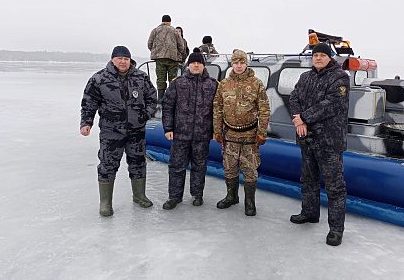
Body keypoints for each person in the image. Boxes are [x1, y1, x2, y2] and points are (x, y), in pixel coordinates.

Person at [80, 46, 157, 217]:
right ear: (113, 59)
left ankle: (139, 196)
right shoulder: (99, 79)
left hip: (136, 131)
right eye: (120, 58)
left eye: (126, 59)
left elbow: (152, 97)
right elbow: (88, 102)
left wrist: (146, 114)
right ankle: (106, 203)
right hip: (110, 131)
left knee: (138, 162)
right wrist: (86, 122)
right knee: (108, 165)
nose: (123, 62)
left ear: (130, 60)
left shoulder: (140, 77)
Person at [289, 42, 350, 246]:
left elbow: (331, 105)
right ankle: (309, 212)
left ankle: (336, 229)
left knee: (335, 187)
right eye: (316, 55)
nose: (318, 58)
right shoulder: (305, 77)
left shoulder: (340, 78)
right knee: (308, 180)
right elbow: (294, 97)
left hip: (329, 141)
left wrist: (303, 118)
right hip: (307, 139)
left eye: (323, 55)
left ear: (330, 57)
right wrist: (298, 119)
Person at [213, 50, 270, 216]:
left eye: (242, 62)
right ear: (232, 64)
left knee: (250, 169)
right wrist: (217, 130)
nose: (239, 66)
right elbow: (217, 108)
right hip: (230, 135)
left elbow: (264, 109)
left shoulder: (256, 83)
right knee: (229, 168)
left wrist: (262, 131)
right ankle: (231, 196)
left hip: (250, 135)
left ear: (246, 64)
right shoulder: (224, 84)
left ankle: (249, 201)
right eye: (236, 62)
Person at [161, 48, 218, 209]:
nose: (196, 65)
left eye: (199, 63)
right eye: (193, 63)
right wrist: (168, 128)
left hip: (202, 135)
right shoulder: (177, 83)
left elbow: (217, 110)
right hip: (180, 134)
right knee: (176, 167)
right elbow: (167, 107)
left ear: (203, 65)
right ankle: (174, 197)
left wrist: (215, 130)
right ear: (188, 65)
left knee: (199, 167)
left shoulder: (212, 85)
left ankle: (197, 195)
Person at [147, 15, 185, 101]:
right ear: (170, 22)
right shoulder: (174, 31)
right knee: (172, 79)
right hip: (173, 58)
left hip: (159, 58)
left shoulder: (155, 30)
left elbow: (149, 44)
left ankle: (160, 99)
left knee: (160, 79)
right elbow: (181, 45)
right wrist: (178, 52)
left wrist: (156, 51)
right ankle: (171, 98)